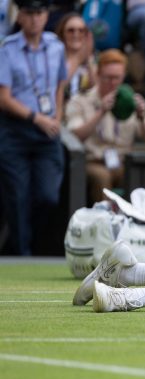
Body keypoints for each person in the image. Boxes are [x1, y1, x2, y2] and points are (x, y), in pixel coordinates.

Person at [0, 0, 67, 255]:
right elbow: (3, 98)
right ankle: (23, 255)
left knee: (48, 196)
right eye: (29, 13)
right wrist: (35, 118)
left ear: (46, 15)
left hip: (47, 130)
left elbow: (60, 84)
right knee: (17, 197)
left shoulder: (56, 46)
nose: (35, 19)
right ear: (20, 16)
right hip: (15, 129)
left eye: (39, 13)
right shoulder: (7, 49)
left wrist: (58, 114)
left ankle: (36, 248)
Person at [65, 49, 145, 204]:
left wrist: (143, 116)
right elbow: (76, 136)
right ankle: (106, 223)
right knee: (102, 177)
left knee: (139, 174)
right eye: (108, 78)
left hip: (122, 162)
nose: (113, 83)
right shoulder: (80, 101)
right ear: (98, 75)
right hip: (93, 162)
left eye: (117, 78)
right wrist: (100, 112)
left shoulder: (128, 101)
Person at [54, 11, 96, 100]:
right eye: (70, 31)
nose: (76, 35)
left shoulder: (90, 59)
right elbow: (57, 87)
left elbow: (95, 87)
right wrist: (77, 58)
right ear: (62, 34)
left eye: (81, 31)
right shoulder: (54, 58)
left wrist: (88, 57)